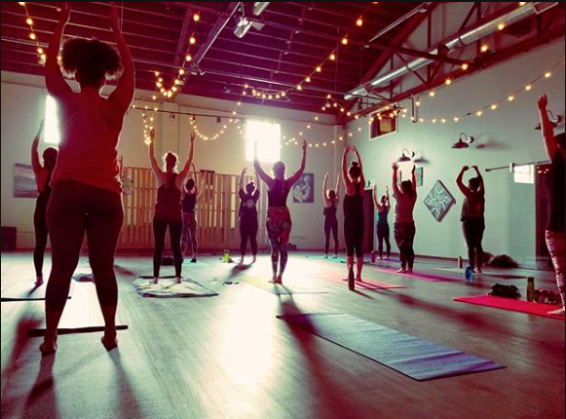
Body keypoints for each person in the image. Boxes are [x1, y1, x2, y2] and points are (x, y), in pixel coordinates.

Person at [41, 2, 134, 355]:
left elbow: (50, 65)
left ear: (77, 73)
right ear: (104, 75)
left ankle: (50, 337)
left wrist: (61, 21)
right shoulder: (115, 106)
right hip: (106, 198)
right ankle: (110, 333)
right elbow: (132, 73)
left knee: (62, 267)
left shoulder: (65, 100)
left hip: (67, 194)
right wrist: (118, 32)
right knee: (103, 267)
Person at [254, 140, 307, 284]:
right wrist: (304, 151)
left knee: (275, 248)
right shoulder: (287, 183)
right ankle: (280, 277)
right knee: (283, 247)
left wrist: (255, 148)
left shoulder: (271, 183)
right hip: (285, 216)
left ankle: (274, 276)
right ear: (283, 170)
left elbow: (257, 167)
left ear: (274, 170)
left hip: (273, 218)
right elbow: (301, 169)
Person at [149, 128, 195, 285]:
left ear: (167, 162)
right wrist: (192, 143)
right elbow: (188, 163)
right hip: (172, 216)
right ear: (174, 163)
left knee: (159, 247)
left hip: (163, 215)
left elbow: (152, 159)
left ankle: (156, 277)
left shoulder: (161, 177)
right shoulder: (177, 178)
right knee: (174, 247)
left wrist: (152, 140)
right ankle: (177, 277)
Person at [538, 94, 565, 316]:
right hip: (556, 226)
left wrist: (542, 109)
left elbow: (547, 135)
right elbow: (548, 136)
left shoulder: (557, 163)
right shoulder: (557, 165)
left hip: (556, 227)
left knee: (561, 269)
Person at [31, 120, 58, 287]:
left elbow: (33, 149)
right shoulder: (57, 172)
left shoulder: (40, 171)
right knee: (55, 245)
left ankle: (39, 276)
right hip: (52, 209)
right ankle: (47, 276)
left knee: (40, 244)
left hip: (43, 208)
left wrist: (39, 131)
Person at [342, 146, 366, 289]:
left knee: (350, 249)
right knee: (359, 248)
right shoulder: (362, 185)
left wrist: (344, 154)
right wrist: (357, 155)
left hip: (349, 222)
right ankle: (358, 276)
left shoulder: (349, 186)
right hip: (360, 221)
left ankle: (350, 273)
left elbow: (343, 169)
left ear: (350, 174)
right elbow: (361, 170)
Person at [457, 166, 485, 274]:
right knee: (478, 244)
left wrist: (462, 170)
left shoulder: (469, 194)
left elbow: (458, 181)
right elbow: (481, 181)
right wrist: (477, 170)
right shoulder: (481, 193)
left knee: (470, 245)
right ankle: (479, 267)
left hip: (468, 222)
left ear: (469, 185)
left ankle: (472, 267)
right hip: (479, 222)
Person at [392, 163, 418, 274]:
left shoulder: (399, 196)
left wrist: (394, 171)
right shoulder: (413, 196)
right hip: (410, 225)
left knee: (402, 247)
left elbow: (393, 184)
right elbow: (414, 186)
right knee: (409, 246)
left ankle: (403, 267)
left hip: (400, 225)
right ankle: (410, 268)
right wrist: (412, 174)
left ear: (403, 188)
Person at [238, 168, 260, 264]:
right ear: (253, 189)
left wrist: (242, 174)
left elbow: (239, 186)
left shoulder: (243, 196)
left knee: (244, 240)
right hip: (253, 221)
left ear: (246, 189)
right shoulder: (254, 197)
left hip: (244, 221)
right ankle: (254, 257)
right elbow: (259, 187)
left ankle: (242, 257)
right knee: (253, 239)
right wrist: (258, 176)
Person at [181, 173, 202, 263]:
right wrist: (194, 182)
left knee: (183, 237)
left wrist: (186, 177)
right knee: (193, 237)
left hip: (184, 216)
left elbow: (182, 185)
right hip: (192, 216)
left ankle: (182, 256)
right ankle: (194, 256)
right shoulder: (194, 195)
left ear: (186, 186)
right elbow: (196, 188)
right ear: (193, 186)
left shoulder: (183, 195)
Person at [322, 172, 340, 259]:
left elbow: (323, 190)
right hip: (334, 220)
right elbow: (337, 191)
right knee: (335, 237)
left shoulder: (327, 202)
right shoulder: (336, 202)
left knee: (327, 237)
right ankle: (335, 254)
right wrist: (338, 181)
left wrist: (325, 179)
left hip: (327, 221)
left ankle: (326, 254)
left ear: (328, 195)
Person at [372, 185, 391, 261]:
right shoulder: (387, 207)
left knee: (380, 241)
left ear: (381, 200)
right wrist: (387, 191)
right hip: (386, 225)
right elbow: (388, 201)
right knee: (387, 241)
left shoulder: (379, 207)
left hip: (380, 226)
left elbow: (374, 199)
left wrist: (374, 190)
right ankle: (388, 256)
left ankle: (380, 256)